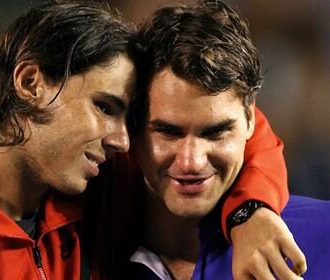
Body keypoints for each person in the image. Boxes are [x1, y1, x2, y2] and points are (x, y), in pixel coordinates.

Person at [0, 1, 305, 279]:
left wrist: (250, 214)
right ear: (30, 82)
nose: (122, 139)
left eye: (128, 117)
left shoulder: (97, 184)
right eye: (104, 107)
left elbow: (237, 129)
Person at [97, 1, 328, 279]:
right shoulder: (77, 237)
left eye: (215, 132)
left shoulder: (323, 234)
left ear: (251, 119)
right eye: (168, 132)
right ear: (132, 126)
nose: (191, 162)